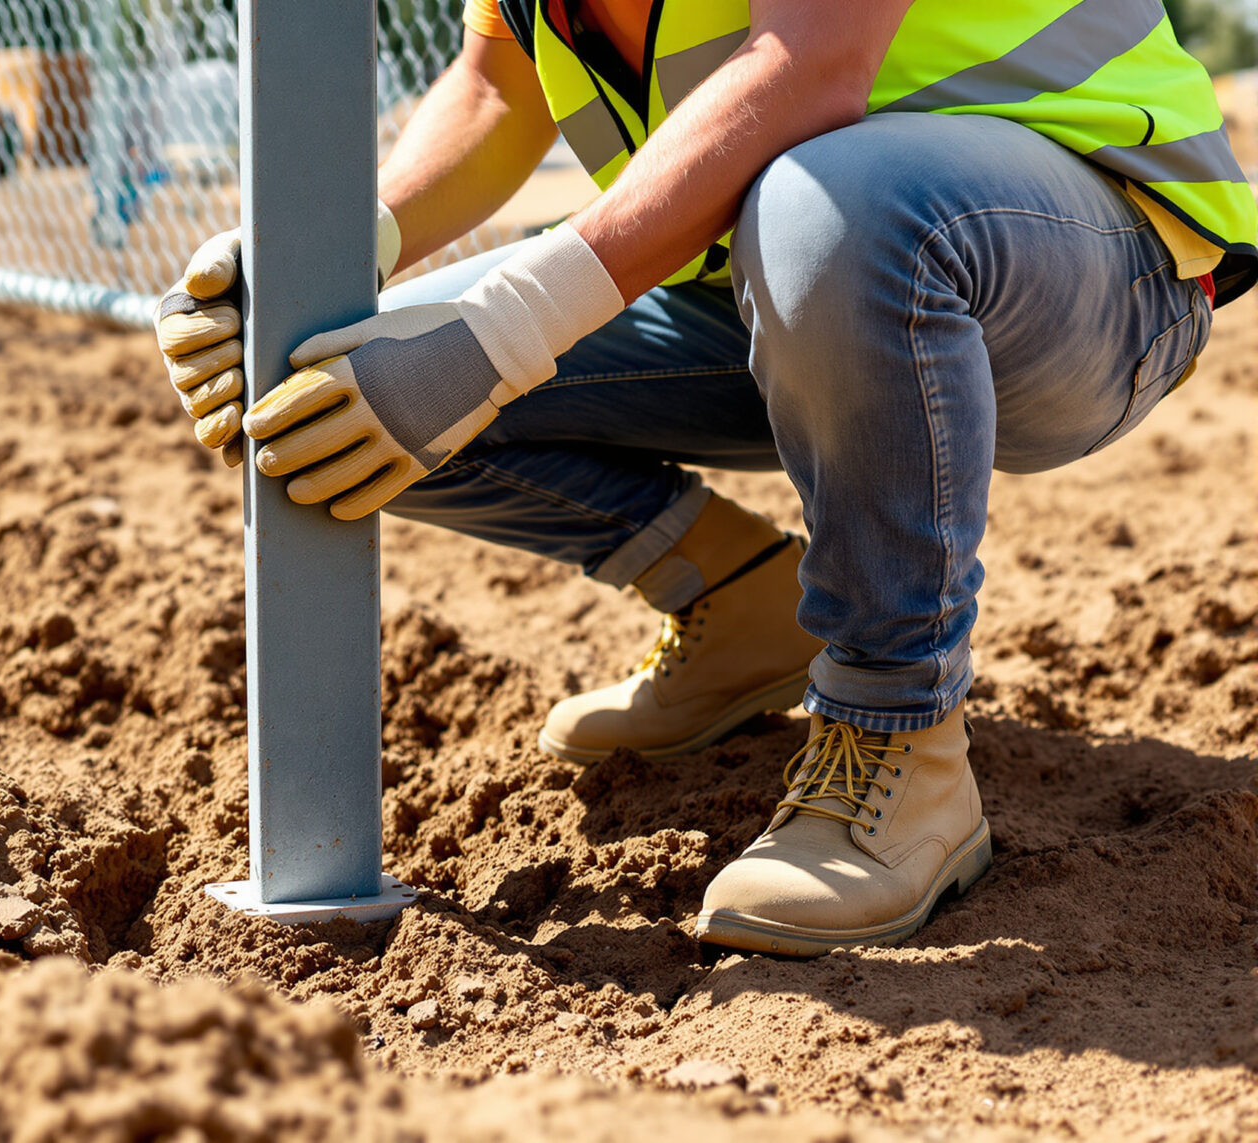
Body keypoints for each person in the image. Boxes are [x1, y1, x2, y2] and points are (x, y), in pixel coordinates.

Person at [156, 0, 1255, 957]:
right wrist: (341, 250)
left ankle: (897, 745)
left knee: (841, 203)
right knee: (334, 370)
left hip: (1081, 266)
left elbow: (809, 67)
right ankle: (738, 605)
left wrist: (500, 334)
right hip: (785, 269)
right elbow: (496, 94)